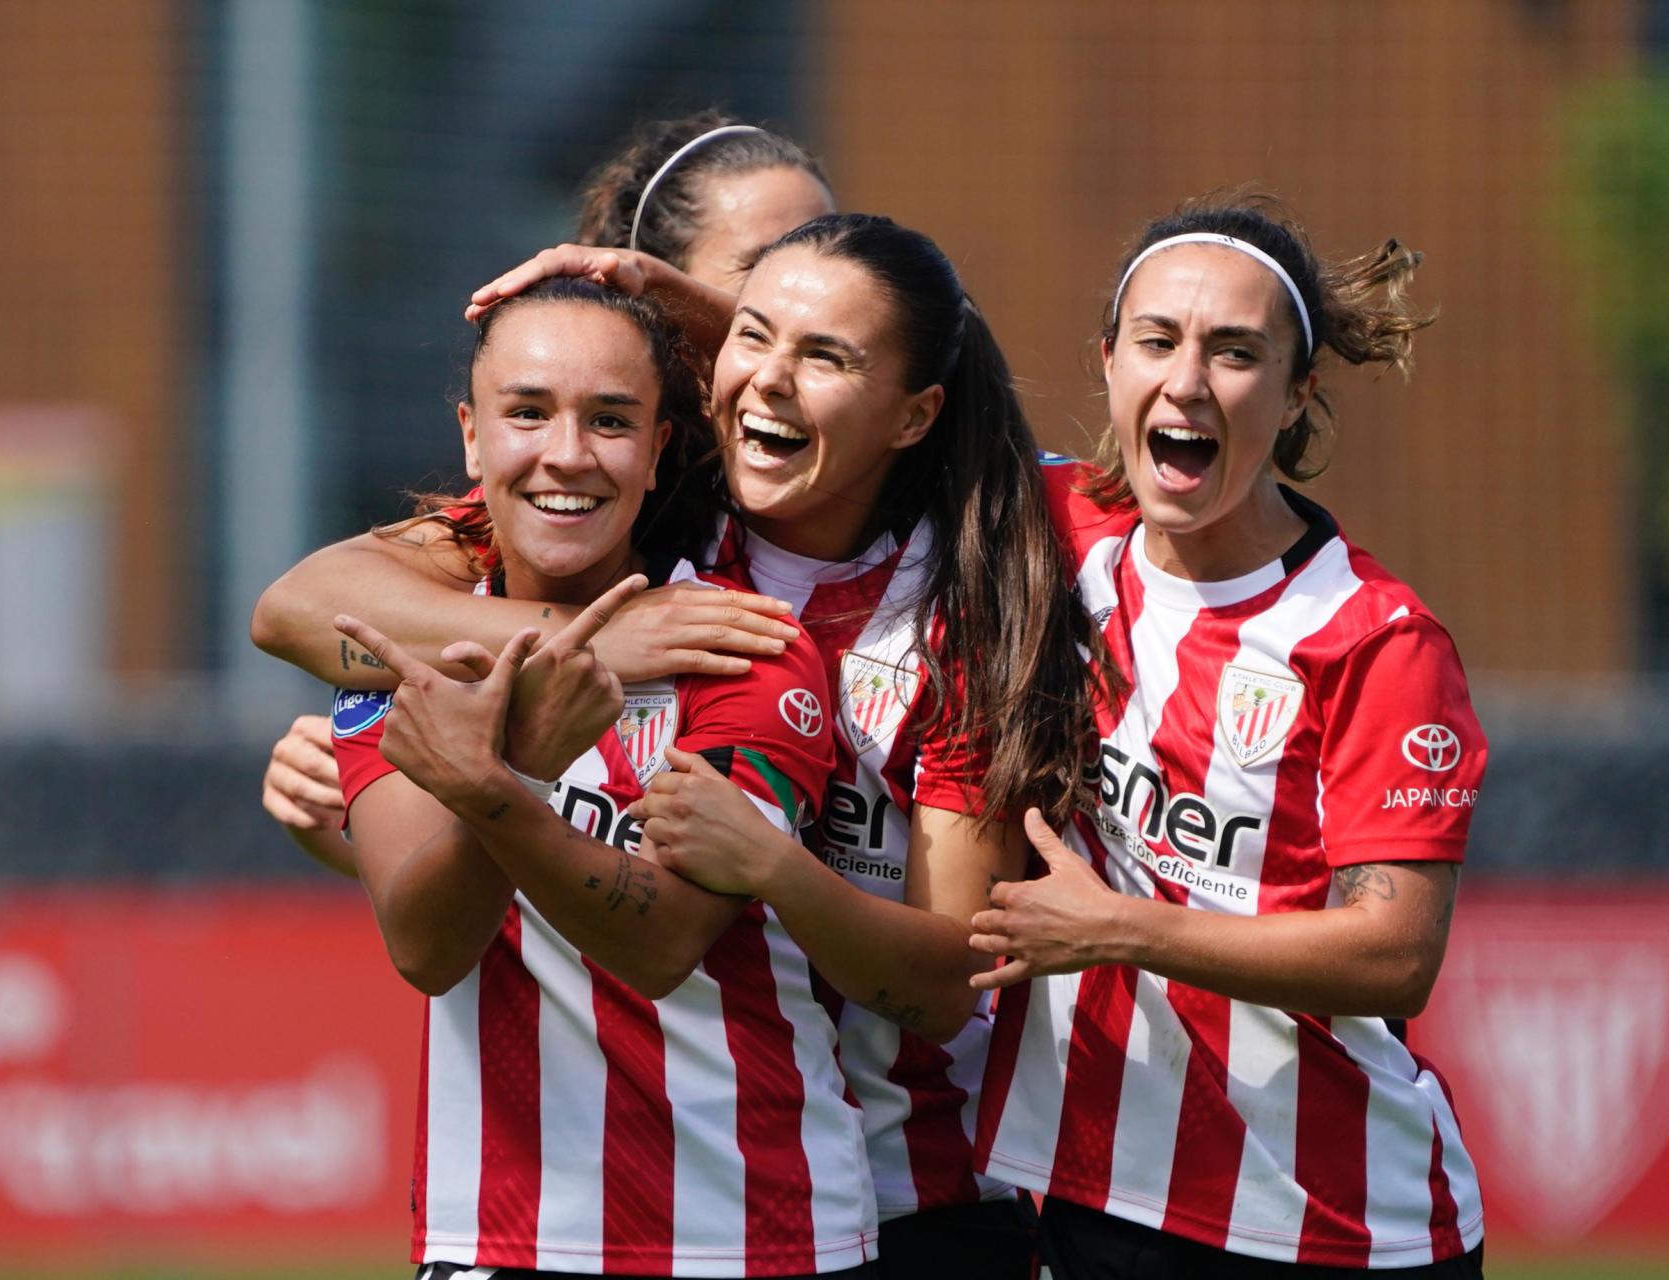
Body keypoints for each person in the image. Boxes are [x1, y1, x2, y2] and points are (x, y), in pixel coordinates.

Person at [257, 213, 1093, 1279]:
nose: (566, 450)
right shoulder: (509, 580)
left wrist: (771, 866)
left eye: (828, 351)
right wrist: (583, 644)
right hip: (515, 1227)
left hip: (888, 1189)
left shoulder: (946, 592)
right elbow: (295, 607)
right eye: (749, 328)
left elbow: (922, 981)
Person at [966, 197, 1488, 1276]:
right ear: (1108, 362)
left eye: (1236, 352)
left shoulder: (1374, 639)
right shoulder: (1058, 529)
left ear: (1298, 393)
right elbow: (876, 381)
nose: (1188, 380)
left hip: (1332, 1226)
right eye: (1157, 340)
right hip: (1091, 1197)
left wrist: (1119, 926)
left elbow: (1394, 952)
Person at [324, 276, 874, 1277]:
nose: (567, 454)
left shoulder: (745, 647)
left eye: (610, 420)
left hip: (756, 1232)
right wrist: (524, 756)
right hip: (496, 1233)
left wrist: (501, 783)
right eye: (527, 412)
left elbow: (663, 938)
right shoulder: (398, 655)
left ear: (661, 448)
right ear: (472, 437)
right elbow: (426, 942)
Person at [255, 111, 835, 878]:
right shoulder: (595, 495)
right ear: (655, 301)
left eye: (831, 262)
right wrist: (585, 640)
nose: (815, 296)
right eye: (761, 275)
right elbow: (295, 608)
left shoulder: (887, 471)